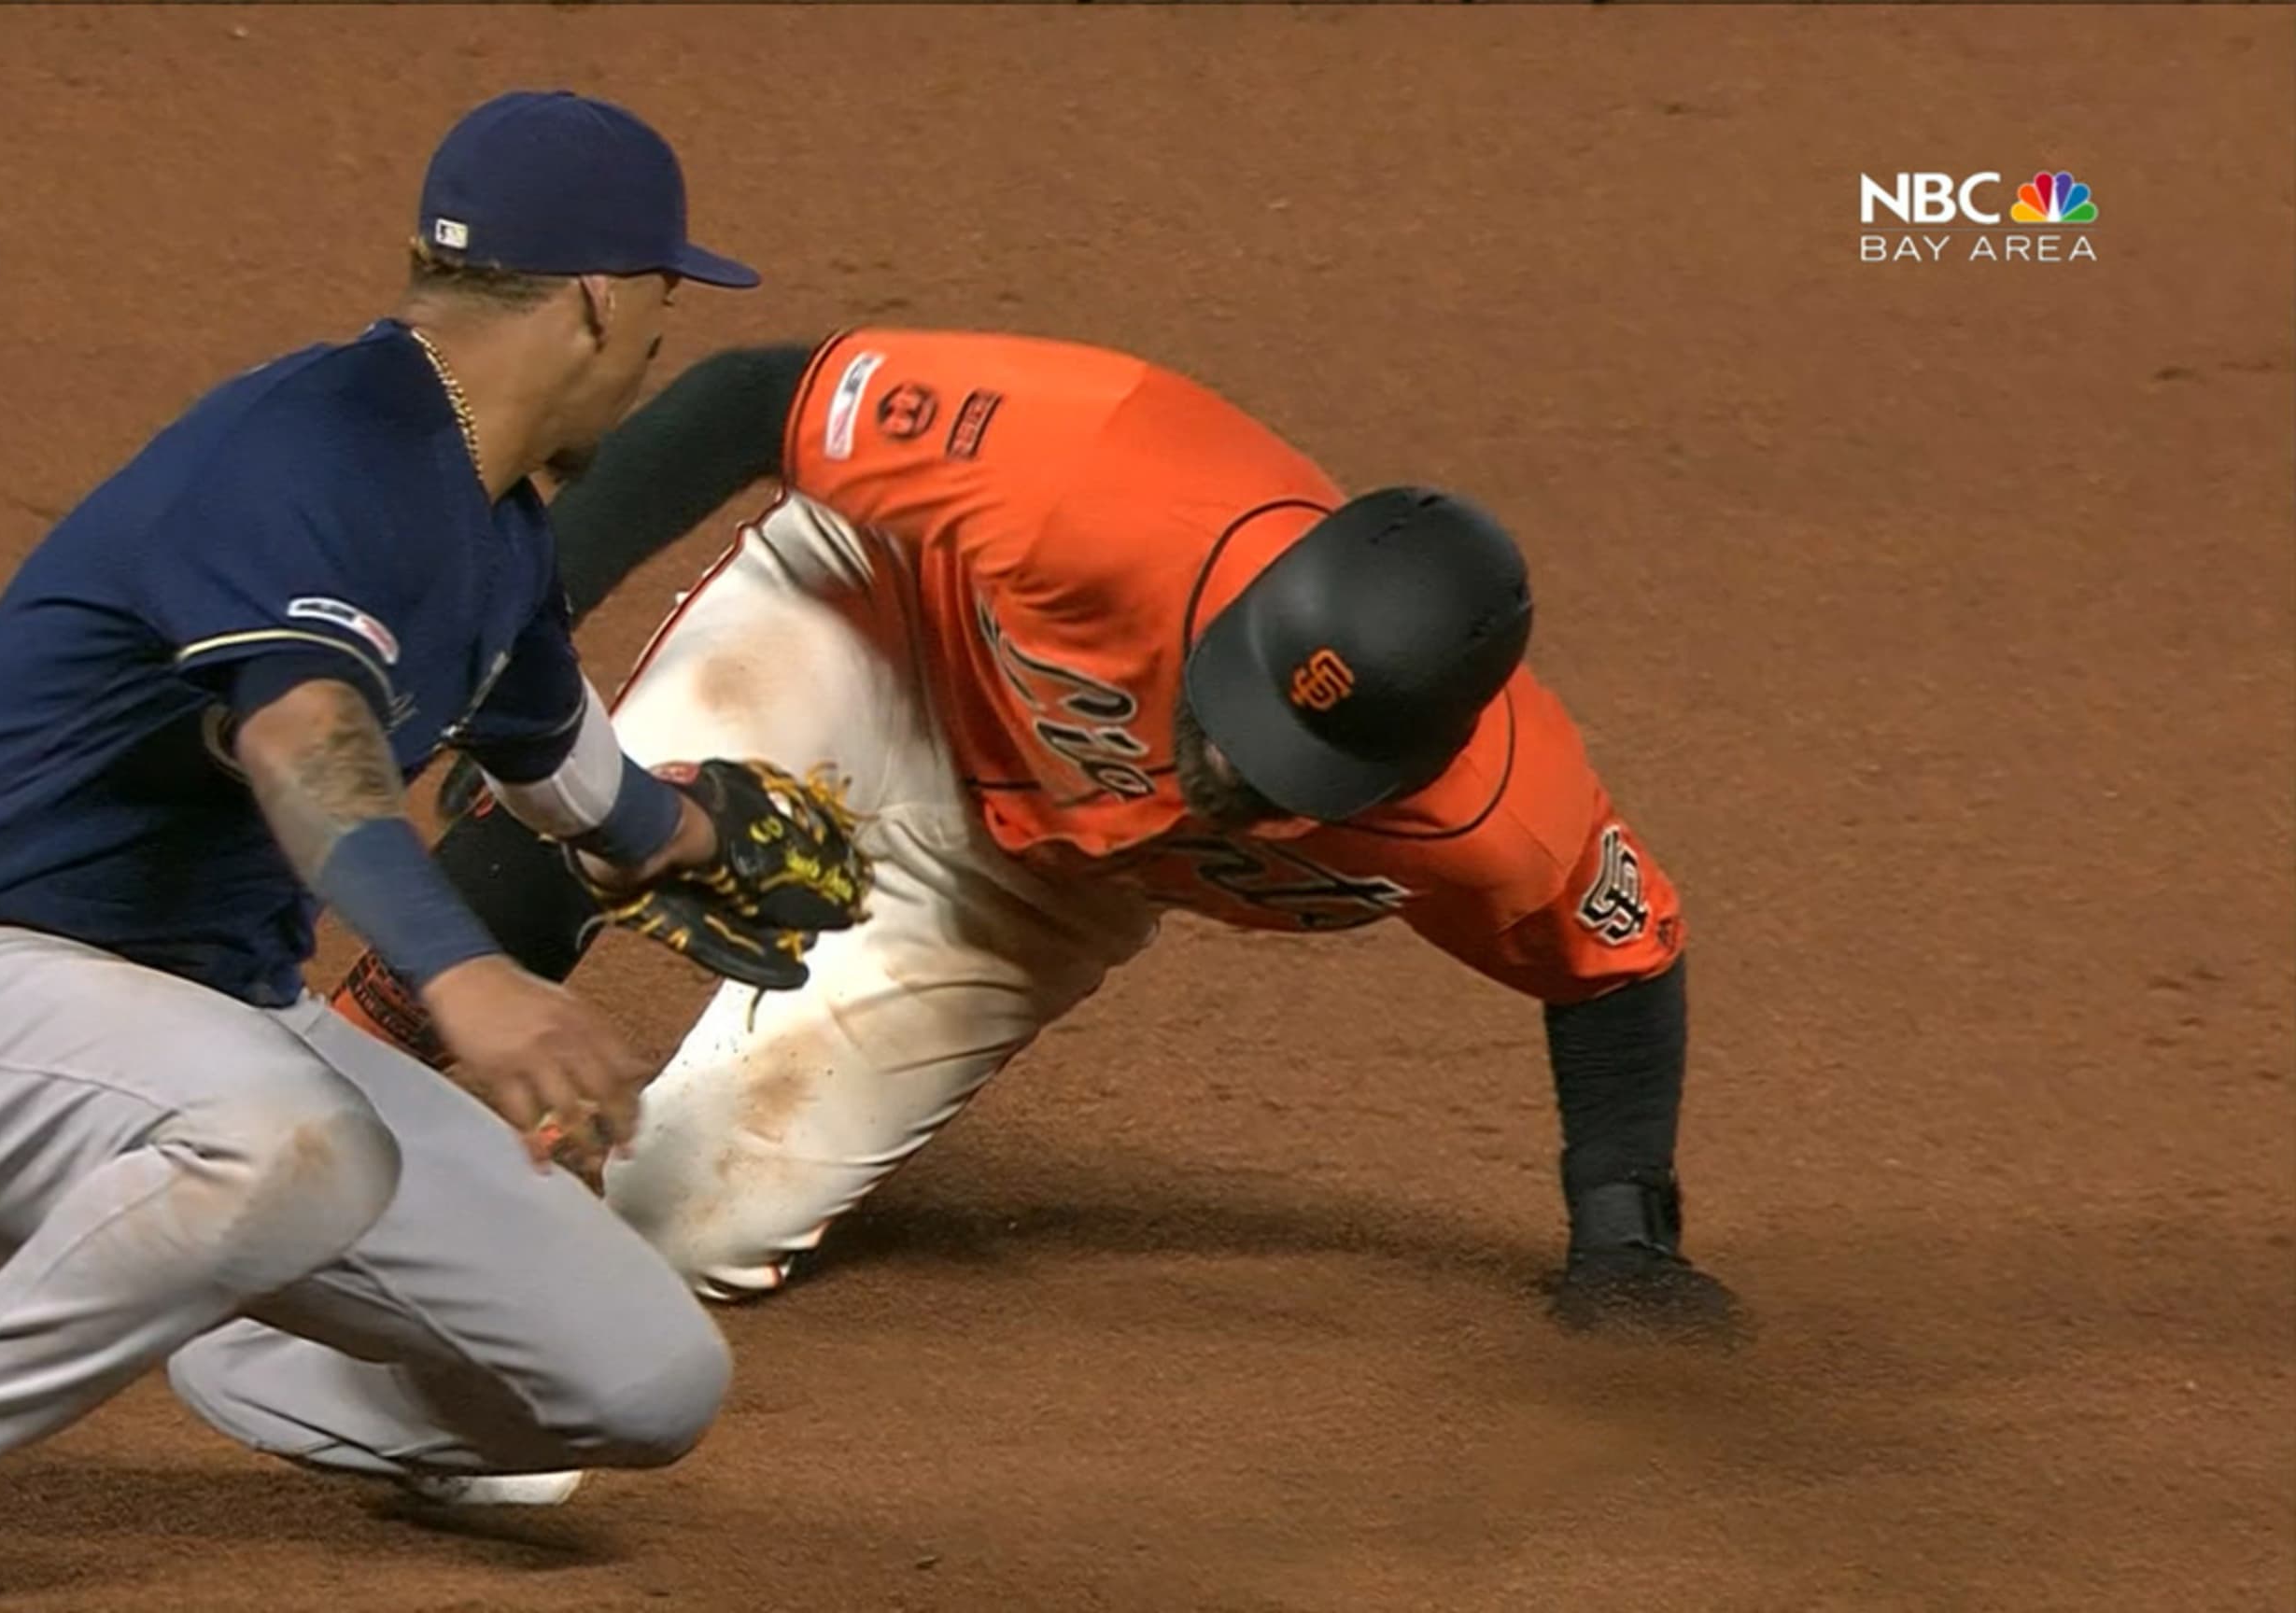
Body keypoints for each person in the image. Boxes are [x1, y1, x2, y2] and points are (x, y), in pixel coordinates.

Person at [0, 92, 857, 1613]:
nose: (666, 337)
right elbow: (300, 736)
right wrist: (465, 977)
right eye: (665, 295)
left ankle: (230, 1307)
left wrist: (702, 838)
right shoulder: (311, 449)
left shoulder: (493, 523)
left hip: (204, 1036)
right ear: (603, 298)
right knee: (284, 1135)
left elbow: (557, 759)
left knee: (640, 1380)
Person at [340, 326, 1745, 1342]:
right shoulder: (1102, 468)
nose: (1233, 776)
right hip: (885, 633)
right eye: (1240, 710)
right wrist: (518, 640)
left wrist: (1622, 1229)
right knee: (602, 792)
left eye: (1295, 773)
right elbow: (760, 399)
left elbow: (1619, 964)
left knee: (683, 1224)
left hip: (1036, 884)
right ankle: (327, 1075)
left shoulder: (1506, 820)